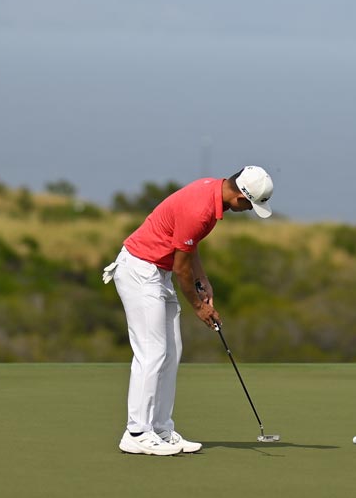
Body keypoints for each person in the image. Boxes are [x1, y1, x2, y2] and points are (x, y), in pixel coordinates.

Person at [101, 165, 273, 456]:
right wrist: (199, 307)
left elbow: (188, 248)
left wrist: (201, 279)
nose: (248, 211)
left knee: (172, 351)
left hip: (158, 272)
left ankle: (160, 429)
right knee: (152, 352)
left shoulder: (212, 193)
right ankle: (136, 432)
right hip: (140, 271)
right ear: (241, 197)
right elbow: (181, 268)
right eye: (250, 206)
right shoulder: (200, 209)